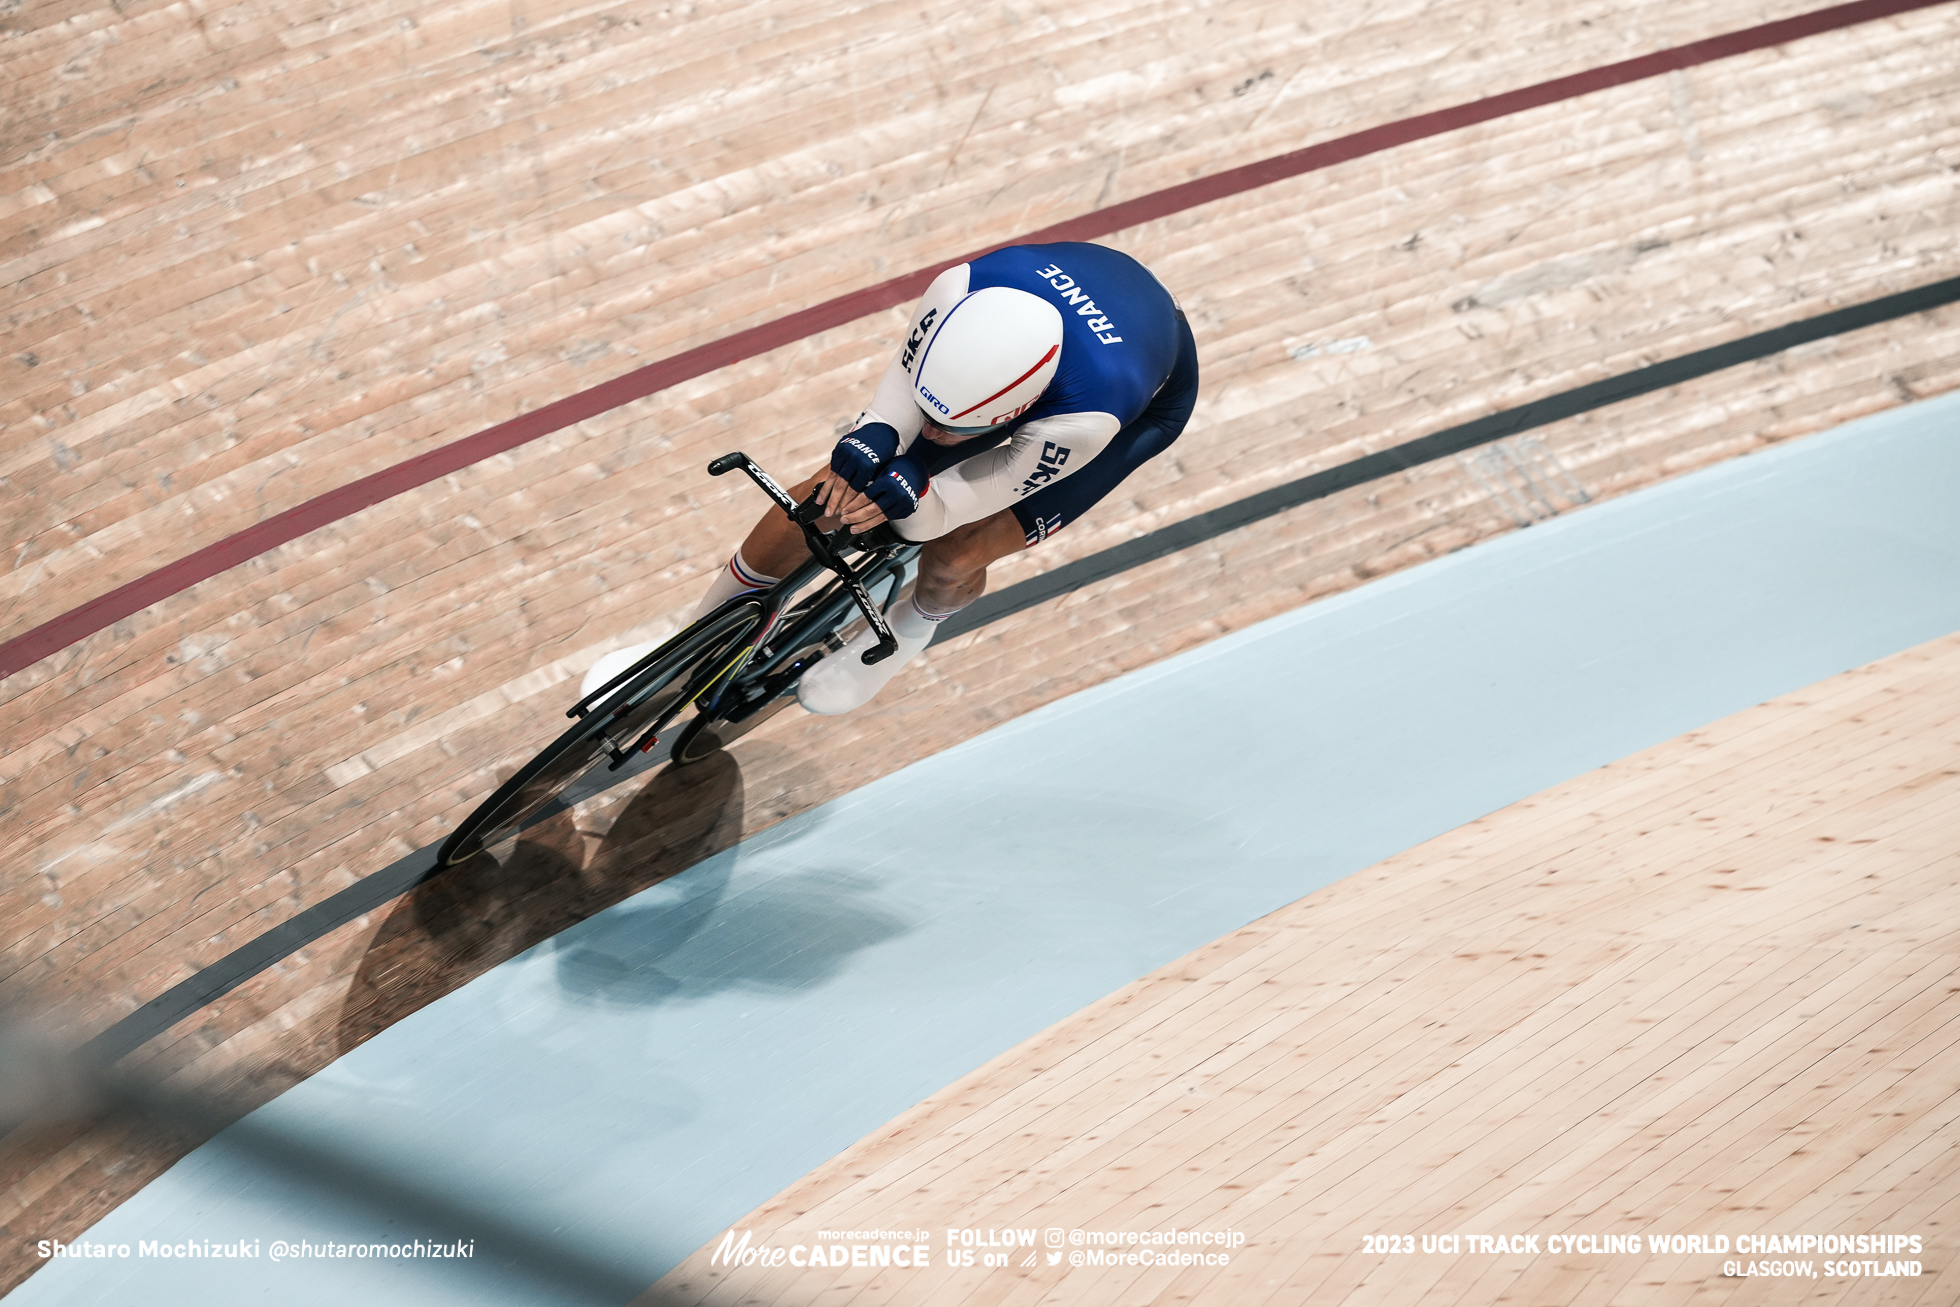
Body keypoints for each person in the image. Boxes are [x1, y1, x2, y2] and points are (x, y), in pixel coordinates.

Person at [580, 240, 1199, 713]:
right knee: (826, 494)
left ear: (1012, 414)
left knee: (956, 551)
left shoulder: (1085, 419)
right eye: (930, 417)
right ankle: (687, 644)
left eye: (952, 428)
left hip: (1141, 403)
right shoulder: (958, 288)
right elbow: (901, 396)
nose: (930, 434)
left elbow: (957, 505)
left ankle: (909, 631)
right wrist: (872, 432)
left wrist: (920, 498)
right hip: (1030, 327)